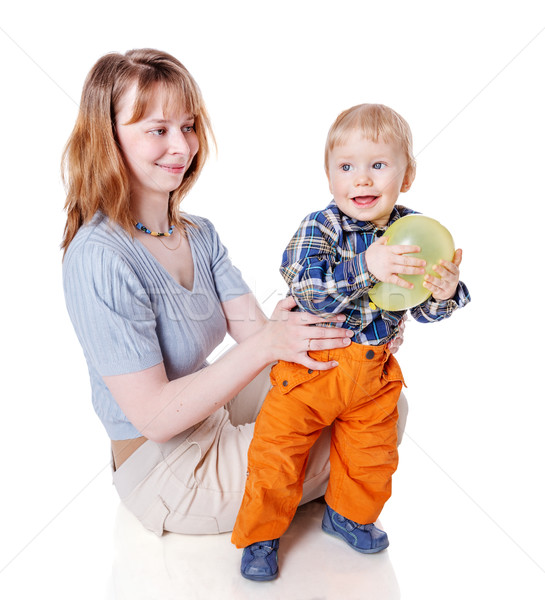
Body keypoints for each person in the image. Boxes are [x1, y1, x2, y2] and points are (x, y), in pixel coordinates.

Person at [61, 48, 374, 537]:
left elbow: (262, 336)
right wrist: (272, 343)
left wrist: (359, 337)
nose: (181, 146)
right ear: (109, 138)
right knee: (359, 434)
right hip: (167, 471)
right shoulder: (99, 255)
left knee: (373, 392)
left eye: (187, 126)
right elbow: (156, 418)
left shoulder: (199, 233)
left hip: (212, 413)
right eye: (157, 130)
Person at [231, 103, 471, 581]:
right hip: (310, 372)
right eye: (347, 167)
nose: (361, 180)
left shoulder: (412, 232)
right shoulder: (321, 227)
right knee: (277, 454)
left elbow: (419, 307)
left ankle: (346, 514)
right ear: (329, 177)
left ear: (407, 176)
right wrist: (366, 267)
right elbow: (309, 291)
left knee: (372, 455)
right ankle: (260, 534)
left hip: (372, 376)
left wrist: (443, 292)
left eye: (378, 165)